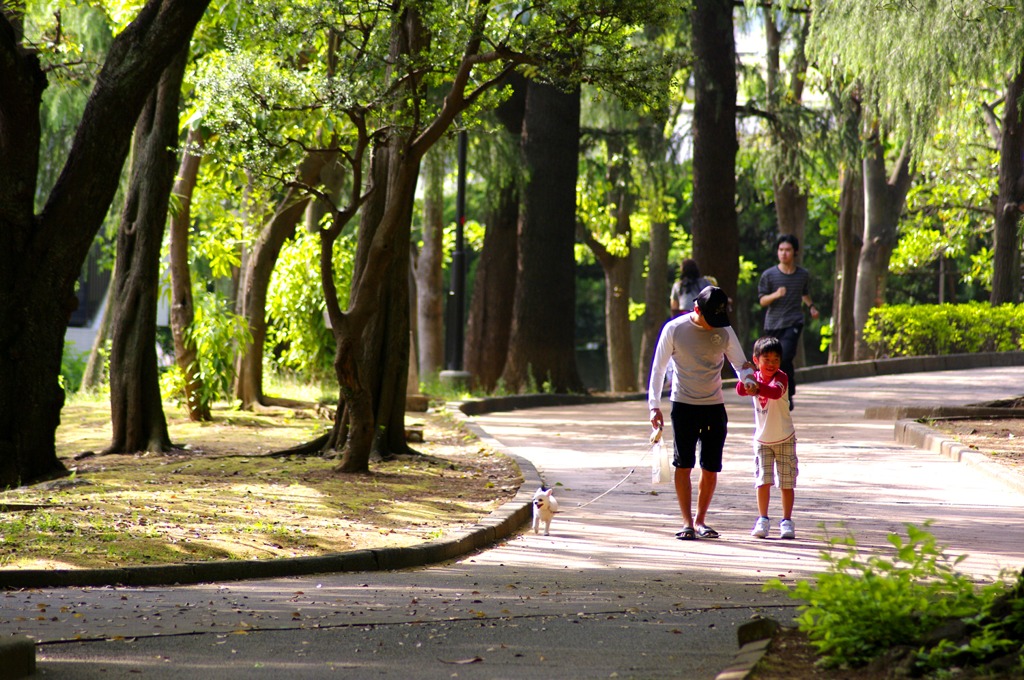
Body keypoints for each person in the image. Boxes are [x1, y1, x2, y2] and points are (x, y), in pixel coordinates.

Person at [648, 286, 754, 541]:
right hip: (683, 405)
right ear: (697, 310)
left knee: (710, 466)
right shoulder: (674, 329)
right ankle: (686, 522)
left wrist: (749, 380)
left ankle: (700, 520)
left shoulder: (723, 330)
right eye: (711, 319)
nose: (715, 325)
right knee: (683, 464)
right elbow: (658, 369)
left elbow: (740, 364)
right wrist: (654, 405)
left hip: (714, 406)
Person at [736, 335, 798, 540]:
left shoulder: (781, 378)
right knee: (762, 481)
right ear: (756, 360)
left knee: (786, 482)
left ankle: (787, 521)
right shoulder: (755, 378)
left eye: (775, 360)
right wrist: (747, 377)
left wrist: (755, 385)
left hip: (784, 437)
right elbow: (739, 389)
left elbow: (772, 392)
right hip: (762, 440)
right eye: (766, 360)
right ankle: (762, 518)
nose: (771, 364)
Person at [757, 234, 819, 408]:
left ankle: (787, 393)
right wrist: (776, 294)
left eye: (788, 250)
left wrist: (811, 306)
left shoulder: (802, 275)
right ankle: (775, 390)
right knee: (775, 359)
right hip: (773, 324)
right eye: (781, 250)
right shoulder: (768, 275)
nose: (784, 253)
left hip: (793, 321)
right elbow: (762, 301)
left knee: (785, 355)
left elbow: (804, 292)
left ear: (795, 252)